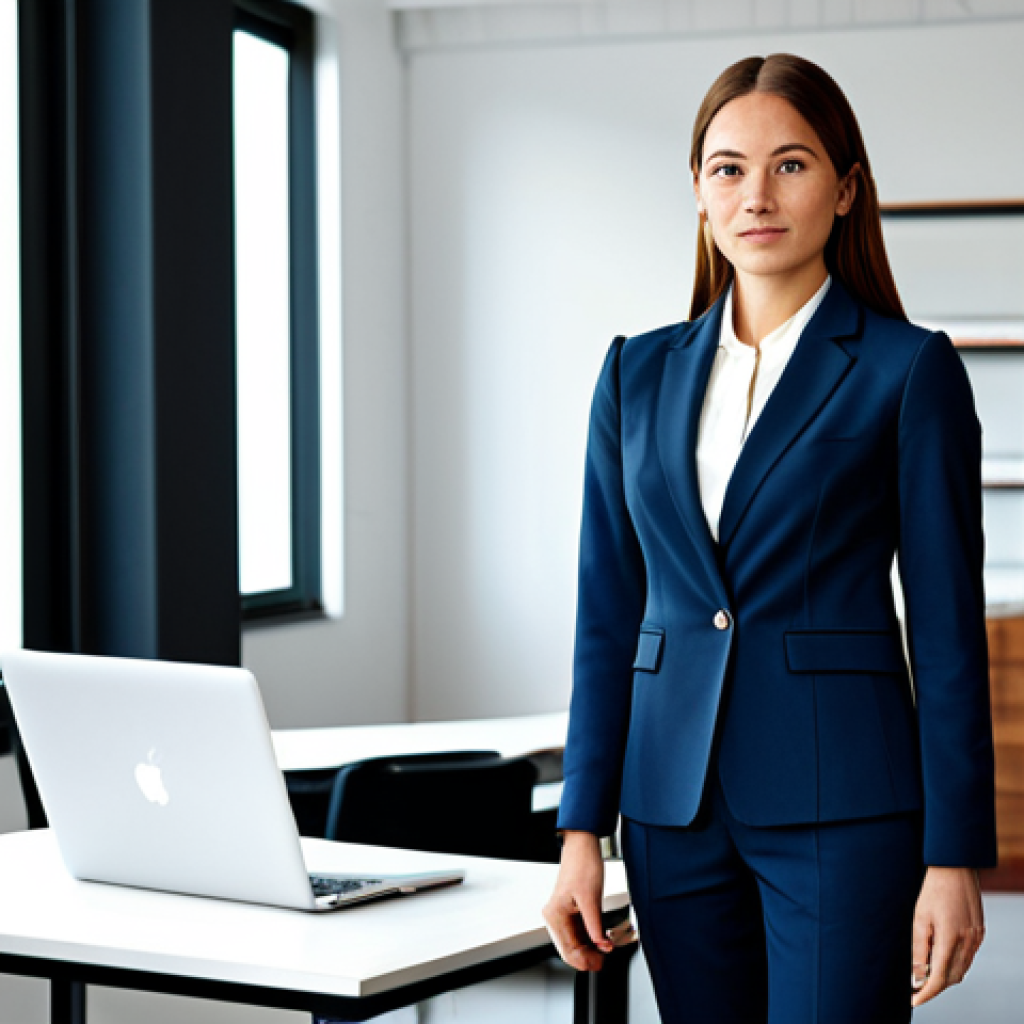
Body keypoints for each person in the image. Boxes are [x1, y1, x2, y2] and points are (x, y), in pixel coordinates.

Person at [542, 53, 997, 1024]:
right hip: (668, 808)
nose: (756, 195)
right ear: (699, 192)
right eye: (728, 168)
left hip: (844, 805)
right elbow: (606, 617)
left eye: (790, 165)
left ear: (846, 188)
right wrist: (581, 830)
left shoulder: (908, 370)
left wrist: (954, 855)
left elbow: (948, 632)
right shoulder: (633, 374)